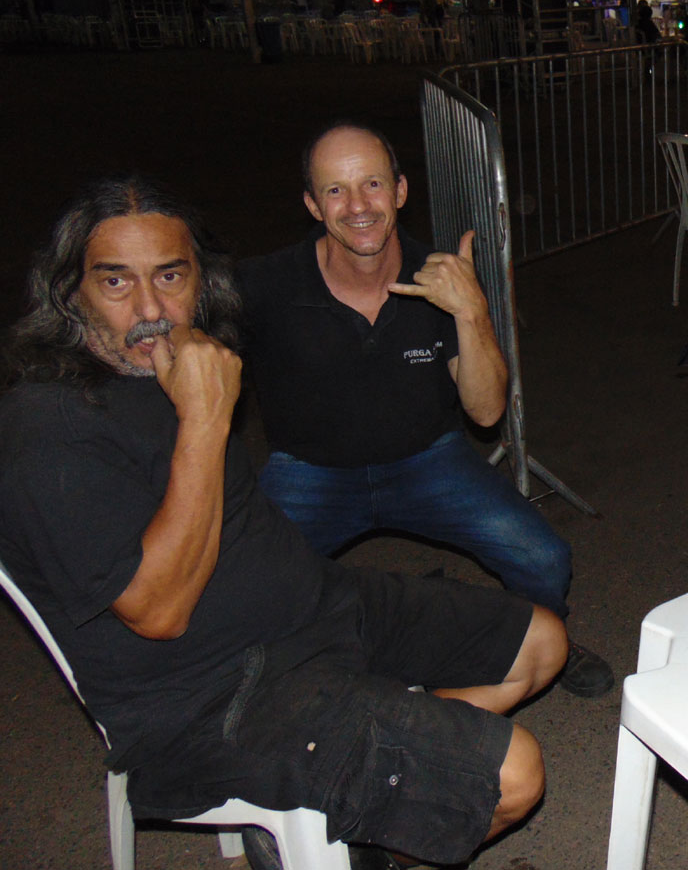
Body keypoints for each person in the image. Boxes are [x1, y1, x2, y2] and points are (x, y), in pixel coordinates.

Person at [0, 177, 567, 867]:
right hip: (213, 695)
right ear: (70, 292)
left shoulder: (171, 362)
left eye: (170, 277)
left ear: (201, 281)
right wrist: (205, 419)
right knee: (513, 774)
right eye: (115, 281)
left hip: (313, 608)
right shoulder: (50, 427)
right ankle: (365, 819)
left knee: (541, 642)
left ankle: (367, 819)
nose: (150, 309)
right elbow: (157, 612)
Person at [237, 124, 613, 698]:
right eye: (336, 190)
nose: (358, 206)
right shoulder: (264, 285)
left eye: (372, 184)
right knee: (240, 590)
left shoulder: (439, 276)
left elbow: (486, 412)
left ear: (401, 190)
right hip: (309, 471)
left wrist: (471, 311)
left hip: (427, 462)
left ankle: (544, 638)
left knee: (543, 557)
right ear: (312, 204)